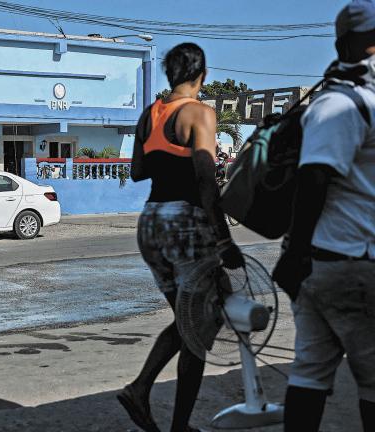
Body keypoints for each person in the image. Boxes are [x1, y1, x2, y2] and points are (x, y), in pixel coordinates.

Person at [120, 43, 244, 432]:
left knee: (189, 319)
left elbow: (138, 171)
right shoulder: (200, 113)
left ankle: (143, 393)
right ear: (201, 75)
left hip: (152, 222)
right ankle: (166, 414)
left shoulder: (149, 116)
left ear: (169, 75)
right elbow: (207, 181)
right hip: (186, 223)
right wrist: (224, 240)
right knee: (200, 325)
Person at [272, 2, 375, 430]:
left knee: (309, 373)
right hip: (349, 260)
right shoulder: (346, 103)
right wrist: (294, 254)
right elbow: (314, 178)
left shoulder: (334, 98)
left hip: (319, 267)